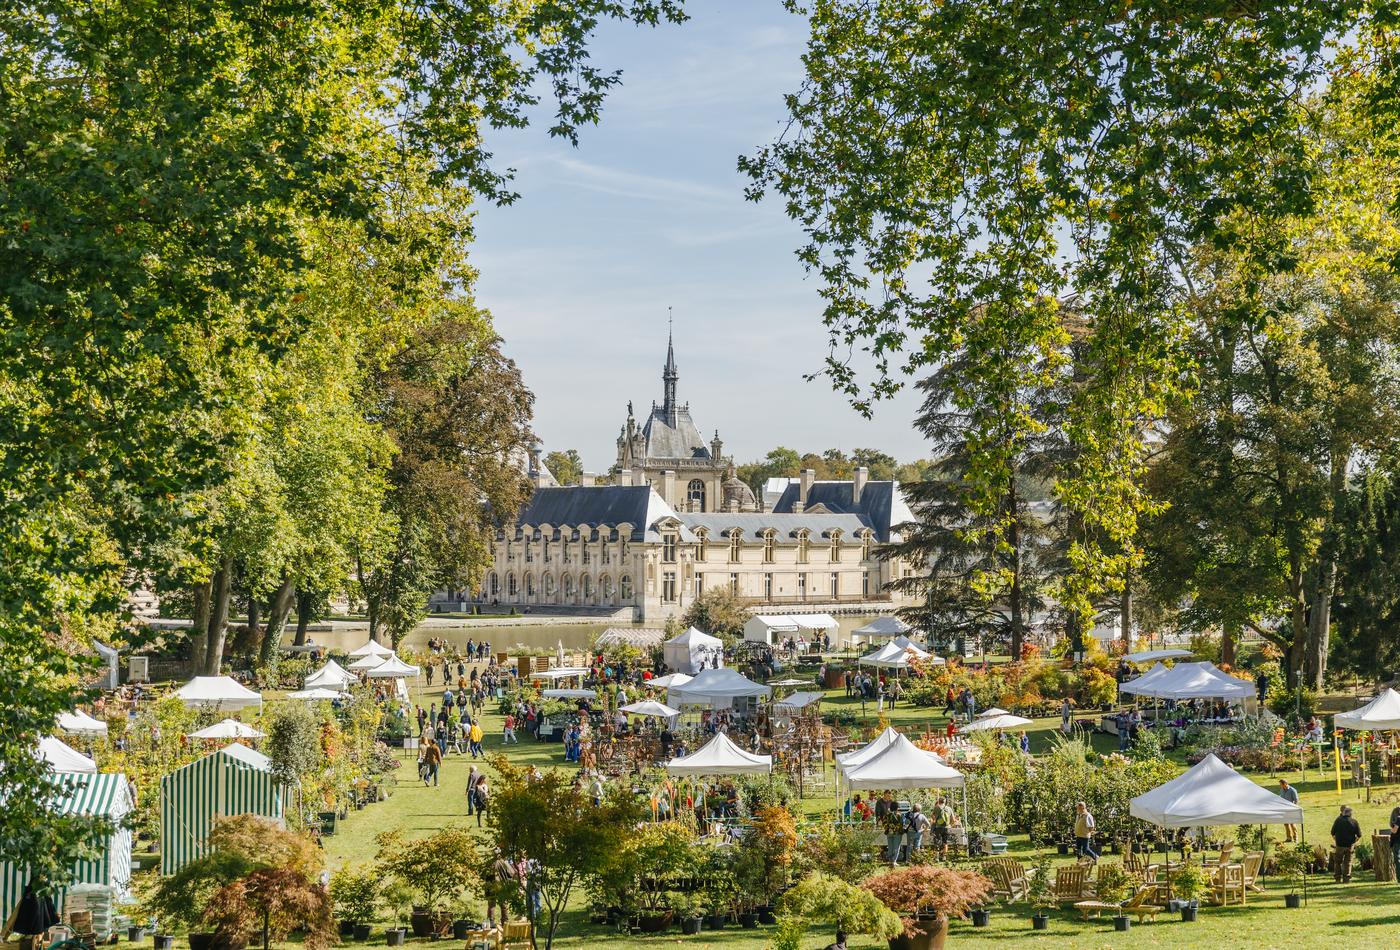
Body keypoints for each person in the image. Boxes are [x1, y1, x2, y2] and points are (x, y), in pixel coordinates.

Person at [1331, 805, 1362, 883]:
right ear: (1350, 814)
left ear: (1343, 813)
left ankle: (1337, 878)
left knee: (1338, 862)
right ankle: (1346, 879)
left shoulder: (1338, 820)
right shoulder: (1354, 822)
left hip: (1339, 845)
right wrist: (1354, 842)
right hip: (1349, 845)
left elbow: (1332, 832)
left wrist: (1336, 840)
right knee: (1348, 862)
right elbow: (1359, 835)